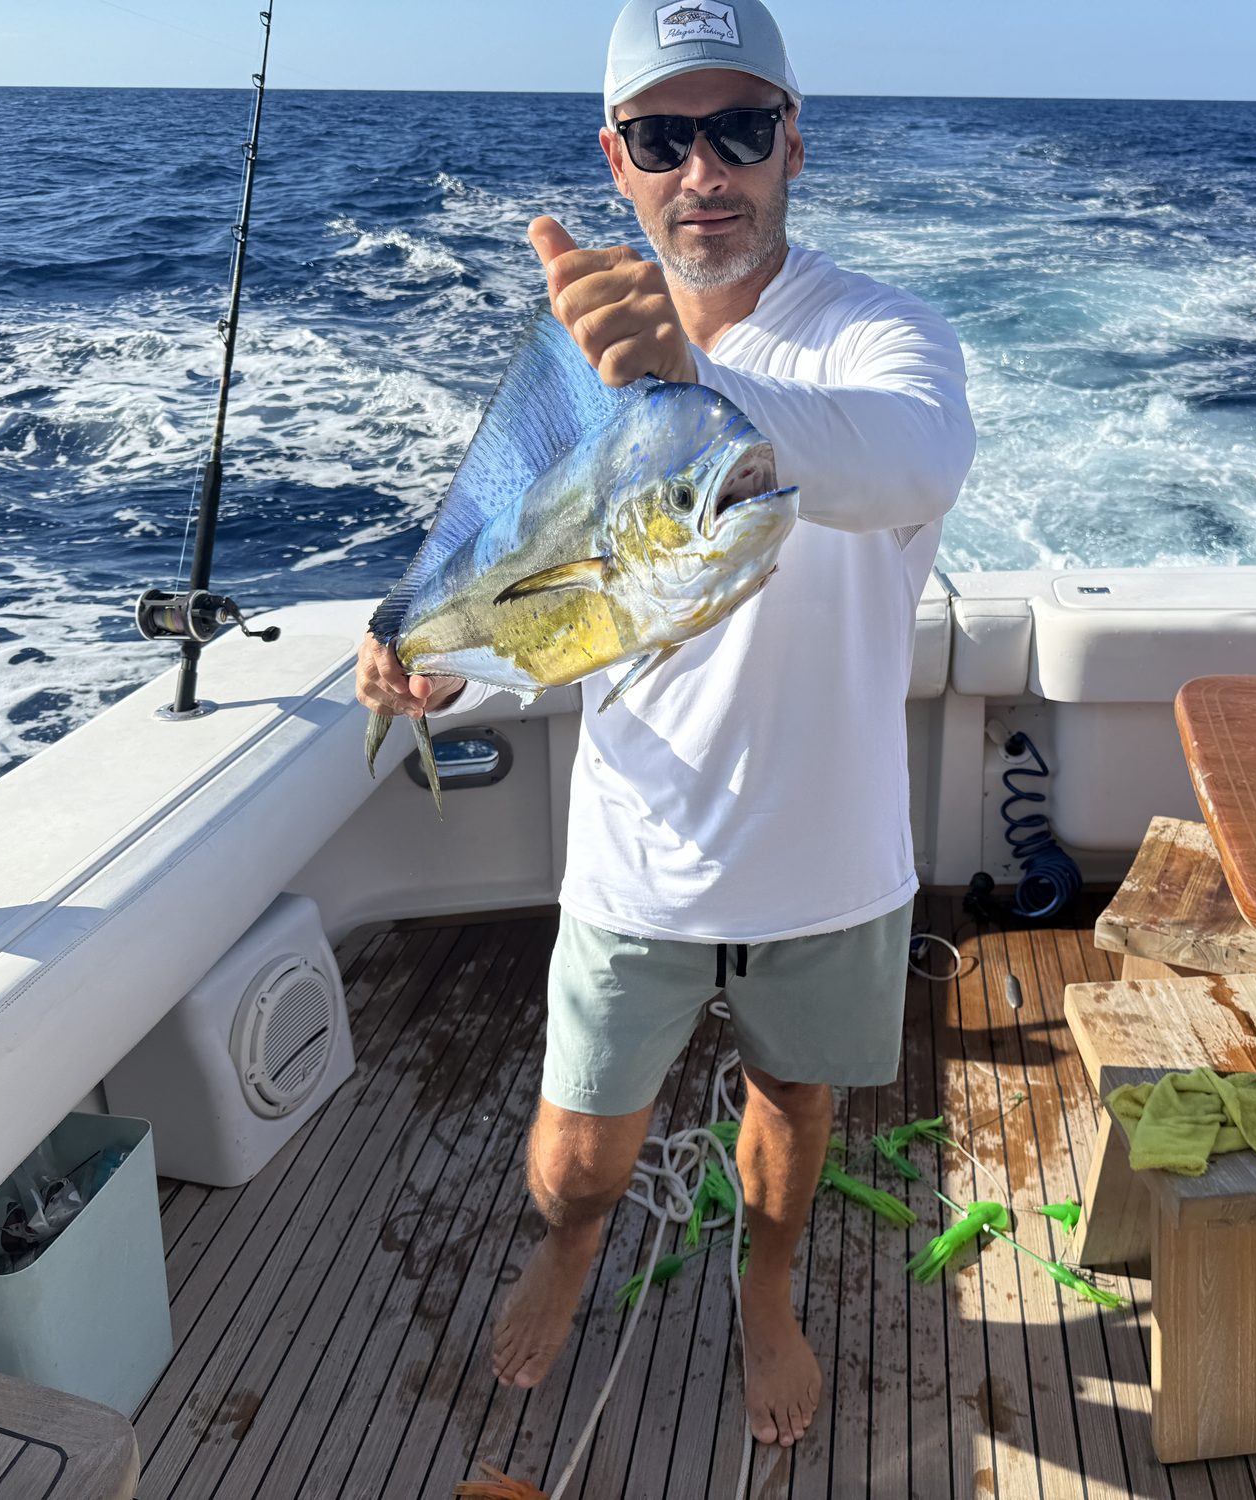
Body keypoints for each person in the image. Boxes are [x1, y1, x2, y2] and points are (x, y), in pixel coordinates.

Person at [352, 0, 974, 1449]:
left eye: (741, 128)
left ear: (793, 144)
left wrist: (694, 384)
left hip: (828, 860)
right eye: (665, 136)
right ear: (617, 160)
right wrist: (444, 667)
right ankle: (570, 1250)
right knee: (574, 1162)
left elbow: (908, 459)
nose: (708, 169)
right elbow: (557, 607)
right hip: (638, 857)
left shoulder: (882, 337)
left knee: (793, 1116)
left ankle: (770, 1292)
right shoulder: (570, 370)